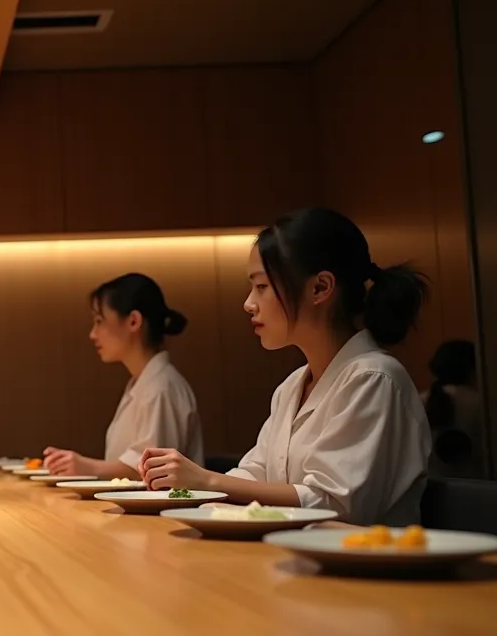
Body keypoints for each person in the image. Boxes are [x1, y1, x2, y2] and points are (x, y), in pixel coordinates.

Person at [139, 207, 431, 526]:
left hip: (368, 568)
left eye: (262, 286)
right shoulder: (293, 385)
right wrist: (182, 488)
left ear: (320, 288)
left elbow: (334, 505)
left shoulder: (375, 378)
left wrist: (207, 481)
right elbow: (255, 474)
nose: (249, 303)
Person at [43, 274, 201, 479]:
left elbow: (153, 468)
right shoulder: (143, 383)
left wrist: (88, 467)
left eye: (99, 321)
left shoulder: (161, 387)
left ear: (133, 321)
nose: (93, 333)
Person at [421, 340, 485, 478]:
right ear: (472, 369)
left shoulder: (417, 402)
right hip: (479, 490)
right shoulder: (482, 404)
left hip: (430, 490)